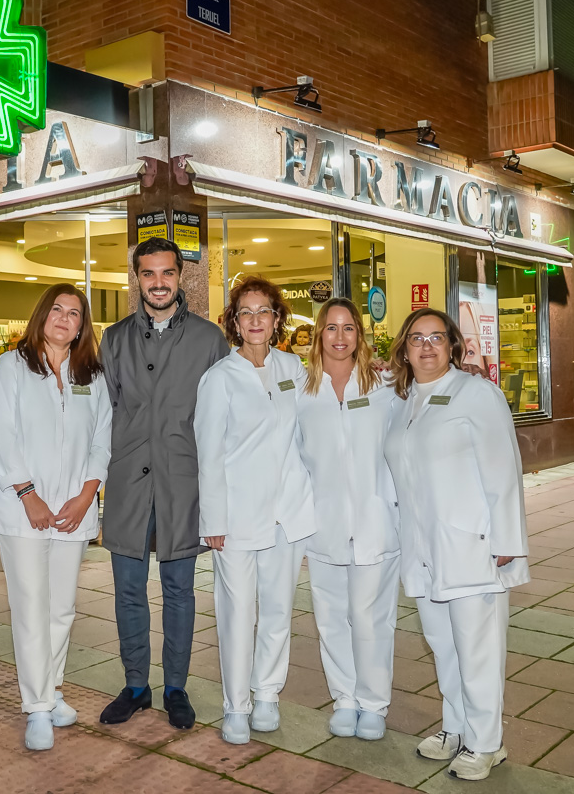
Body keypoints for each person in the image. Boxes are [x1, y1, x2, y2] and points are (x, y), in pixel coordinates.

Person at [383, 307, 530, 781]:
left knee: (477, 648)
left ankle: (486, 742)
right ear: (404, 350)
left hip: (471, 545)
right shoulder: (405, 400)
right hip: (423, 549)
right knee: (444, 646)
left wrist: (507, 539)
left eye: (436, 338)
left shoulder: (477, 393)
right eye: (416, 339)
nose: (426, 347)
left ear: (453, 345)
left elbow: (504, 469)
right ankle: (456, 727)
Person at [97, 237, 229, 730]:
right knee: (128, 591)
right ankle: (136, 686)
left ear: (180, 276)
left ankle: (176, 687)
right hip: (129, 483)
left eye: (167, 273)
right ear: (137, 278)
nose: (158, 282)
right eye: (148, 273)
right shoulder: (114, 339)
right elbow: (105, 411)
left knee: (179, 591)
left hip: (183, 484)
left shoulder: (210, 340)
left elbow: (223, 418)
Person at [0, 284, 111, 751]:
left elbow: (102, 439)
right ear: (42, 315)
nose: (64, 318)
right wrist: (27, 493)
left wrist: (86, 496)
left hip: (73, 510)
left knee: (62, 608)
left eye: (74, 313)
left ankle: (52, 688)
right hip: (24, 510)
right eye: (56, 309)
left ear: (82, 326)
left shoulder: (91, 374)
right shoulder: (12, 367)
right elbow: (1, 434)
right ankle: (37, 706)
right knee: (31, 607)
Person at [195, 277, 315, 745]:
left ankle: (267, 693)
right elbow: (208, 454)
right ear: (234, 322)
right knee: (237, 612)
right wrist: (213, 520)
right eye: (245, 312)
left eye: (263, 310)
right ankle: (236, 705)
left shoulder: (294, 368)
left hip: (287, 513)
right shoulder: (219, 378)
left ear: (277, 317)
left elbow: (326, 408)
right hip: (237, 517)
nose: (255, 320)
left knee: (279, 609)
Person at [295, 298, 399, 741]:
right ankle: (345, 699)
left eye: (348, 328)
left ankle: (373, 703)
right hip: (323, 525)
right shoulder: (301, 390)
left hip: (376, 523)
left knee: (371, 617)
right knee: (332, 617)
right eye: (331, 328)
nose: (340, 337)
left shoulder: (386, 384)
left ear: (360, 334)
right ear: (319, 334)